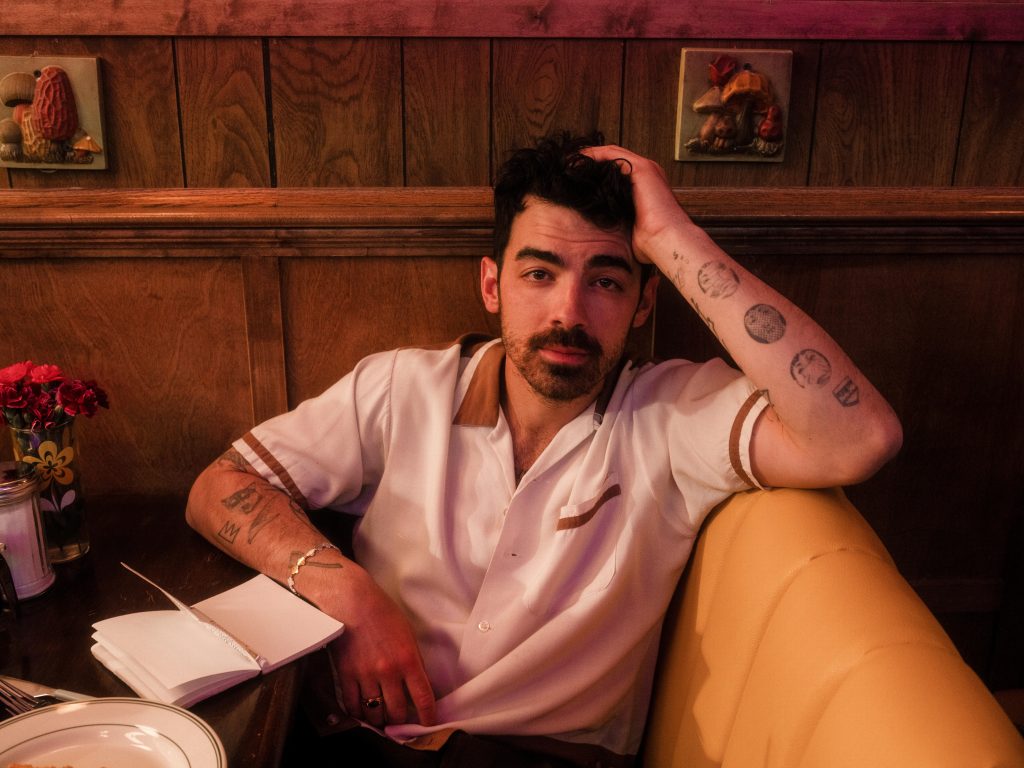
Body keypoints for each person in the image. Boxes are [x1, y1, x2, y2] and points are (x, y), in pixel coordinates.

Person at [186, 133, 902, 766]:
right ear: (492, 284)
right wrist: (351, 596)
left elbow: (859, 439)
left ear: (644, 303)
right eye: (539, 273)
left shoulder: (674, 415)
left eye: (607, 282)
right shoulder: (403, 387)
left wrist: (670, 234)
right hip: (354, 738)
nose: (569, 312)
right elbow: (220, 485)